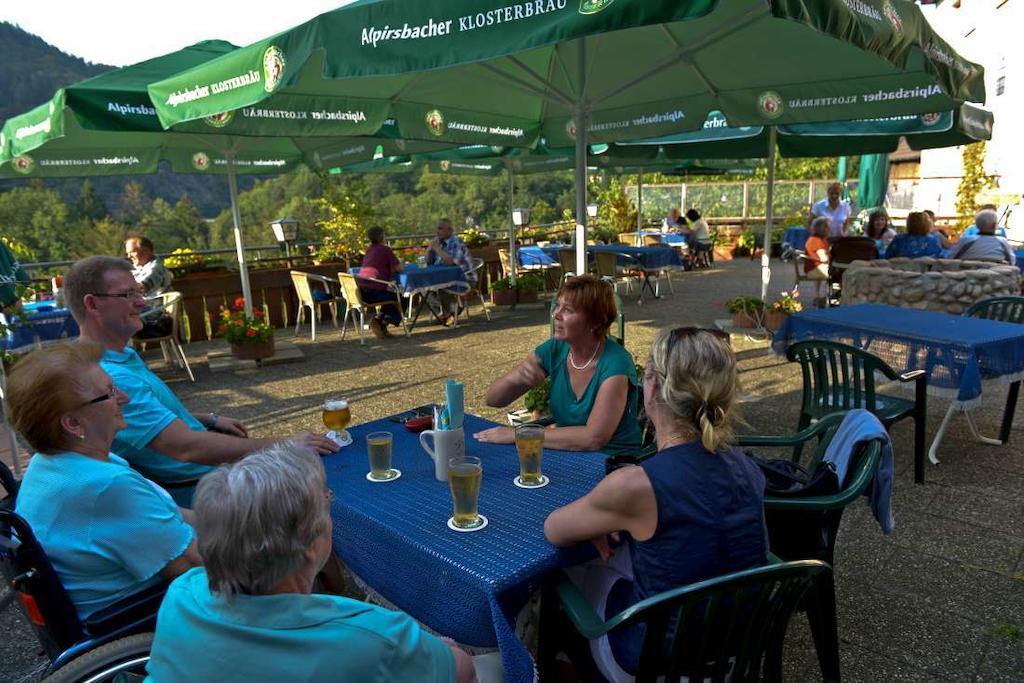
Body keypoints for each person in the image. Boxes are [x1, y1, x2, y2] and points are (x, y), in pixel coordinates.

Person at [144, 444, 476, 683]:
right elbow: (461, 670)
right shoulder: (371, 636)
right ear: (309, 547)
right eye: (325, 503)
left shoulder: (182, 595)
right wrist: (441, 648)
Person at [544, 328, 768, 681]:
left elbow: (554, 529)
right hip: (732, 646)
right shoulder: (747, 469)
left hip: (653, 657)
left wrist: (611, 514)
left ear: (652, 387)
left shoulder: (636, 484)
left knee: (559, 578)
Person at [64, 256, 335, 506]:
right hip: (204, 492)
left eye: (139, 292)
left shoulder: (115, 357)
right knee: (326, 498)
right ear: (92, 304)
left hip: (212, 474)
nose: (143, 303)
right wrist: (283, 445)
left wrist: (207, 418)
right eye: (128, 294)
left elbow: (143, 417)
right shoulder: (111, 378)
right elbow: (186, 448)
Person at [7, 343, 200, 619]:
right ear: (73, 423)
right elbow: (190, 564)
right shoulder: (105, 486)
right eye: (108, 393)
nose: (124, 397)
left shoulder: (52, 462)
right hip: (142, 615)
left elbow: (174, 514)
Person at [474, 275, 641, 456]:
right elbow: (493, 400)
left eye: (567, 310)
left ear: (595, 321)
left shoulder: (616, 363)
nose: (556, 315)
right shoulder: (555, 349)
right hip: (569, 453)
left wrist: (519, 434)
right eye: (557, 306)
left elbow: (594, 438)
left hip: (613, 462)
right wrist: (514, 382)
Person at [357, 226, 405, 339]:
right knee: (400, 298)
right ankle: (380, 322)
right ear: (382, 237)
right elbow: (399, 268)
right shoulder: (385, 249)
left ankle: (380, 322)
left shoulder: (369, 250)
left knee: (391, 297)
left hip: (361, 292)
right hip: (373, 292)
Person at [426, 218, 475, 326]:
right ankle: (449, 313)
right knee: (424, 288)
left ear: (450, 230)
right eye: (437, 228)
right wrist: (430, 250)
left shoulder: (456, 242)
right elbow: (429, 263)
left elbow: (451, 263)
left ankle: (448, 312)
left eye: (440, 229)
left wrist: (438, 249)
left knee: (442, 287)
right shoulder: (440, 242)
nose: (437, 231)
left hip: (463, 277)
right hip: (446, 277)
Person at [126, 236, 175, 339]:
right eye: (127, 253)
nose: (129, 256)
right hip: (142, 310)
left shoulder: (155, 268)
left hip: (155, 315)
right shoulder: (139, 267)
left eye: (132, 252)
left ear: (147, 251)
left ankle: (124, 353)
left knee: (117, 319)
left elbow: (141, 288)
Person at [946, 209, 1016, 265]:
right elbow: (1012, 262)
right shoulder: (1002, 242)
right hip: (997, 280)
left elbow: (949, 259)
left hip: (968, 279)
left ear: (976, 224)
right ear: (994, 225)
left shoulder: (966, 241)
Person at [803, 217, 831, 308]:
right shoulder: (817, 241)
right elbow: (823, 258)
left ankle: (820, 296)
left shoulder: (813, 239)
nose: (830, 229)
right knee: (840, 271)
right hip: (815, 269)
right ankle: (831, 296)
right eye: (828, 227)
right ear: (822, 229)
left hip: (812, 268)